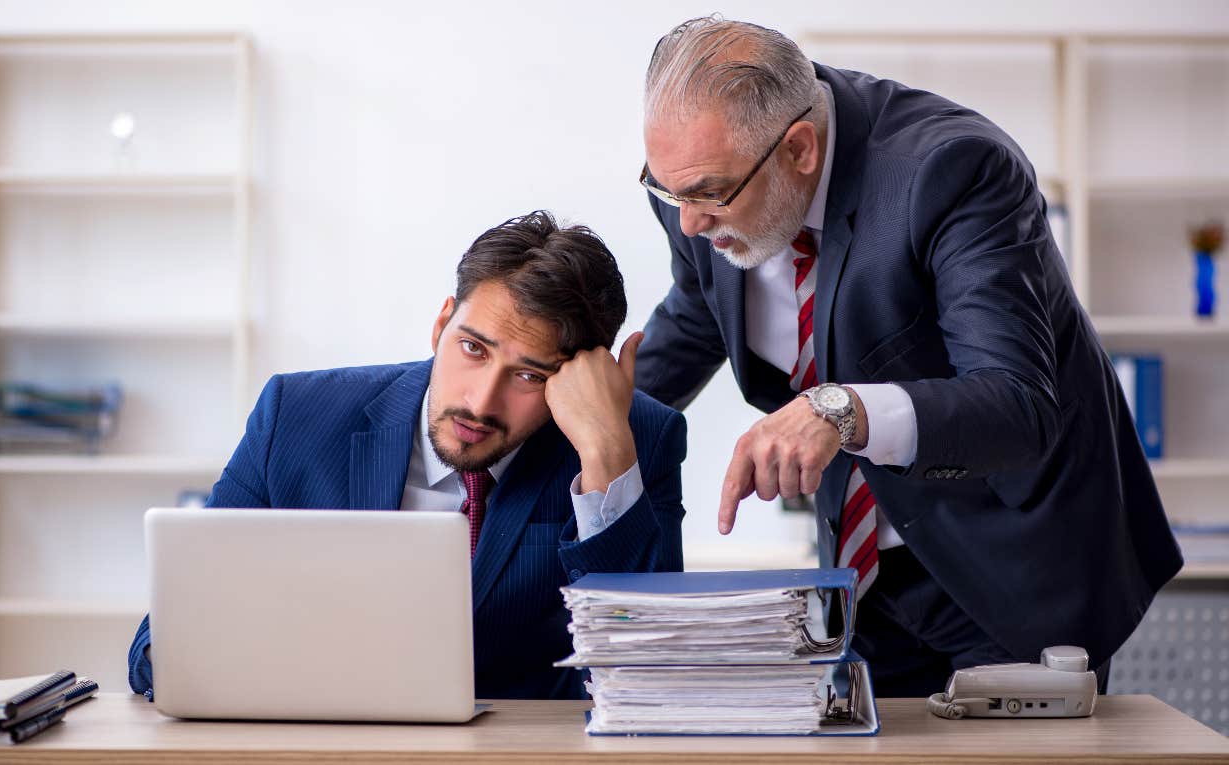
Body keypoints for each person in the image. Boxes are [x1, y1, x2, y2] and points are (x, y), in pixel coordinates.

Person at [632, 16, 1182, 697]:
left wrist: (837, 409)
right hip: (861, 574)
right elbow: (698, 317)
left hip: (1010, 563)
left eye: (708, 194)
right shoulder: (697, 185)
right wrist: (582, 420)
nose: (687, 220)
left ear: (799, 149)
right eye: (668, 190)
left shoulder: (954, 170)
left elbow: (1017, 400)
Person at [128, 211, 686, 700]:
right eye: (472, 348)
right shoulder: (295, 417)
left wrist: (606, 452)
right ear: (442, 324)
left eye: (528, 375)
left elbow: (648, 674)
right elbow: (160, 643)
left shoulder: (637, 441)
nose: (480, 401)